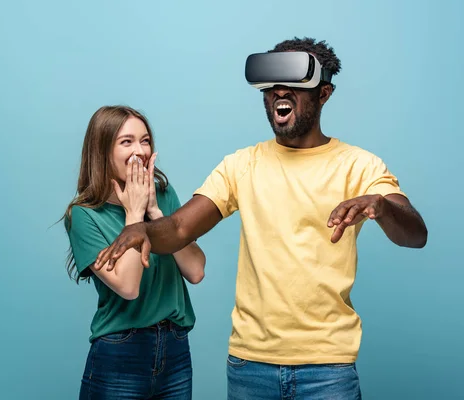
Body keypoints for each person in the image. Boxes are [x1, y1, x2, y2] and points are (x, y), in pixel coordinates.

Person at [93, 38, 428, 399]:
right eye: (271, 87)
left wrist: (380, 205)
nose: (280, 93)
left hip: (328, 367)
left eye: (295, 86)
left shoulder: (359, 165)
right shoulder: (242, 165)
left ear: (324, 94)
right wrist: (141, 228)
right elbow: (179, 227)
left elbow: (415, 233)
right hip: (249, 366)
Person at [64, 105, 206, 399]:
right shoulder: (84, 215)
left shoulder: (164, 196)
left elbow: (195, 271)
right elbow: (128, 287)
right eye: (126, 141)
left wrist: (155, 212)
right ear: (102, 150)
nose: (139, 150)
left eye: (145, 140)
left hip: (175, 349)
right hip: (121, 352)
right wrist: (134, 215)